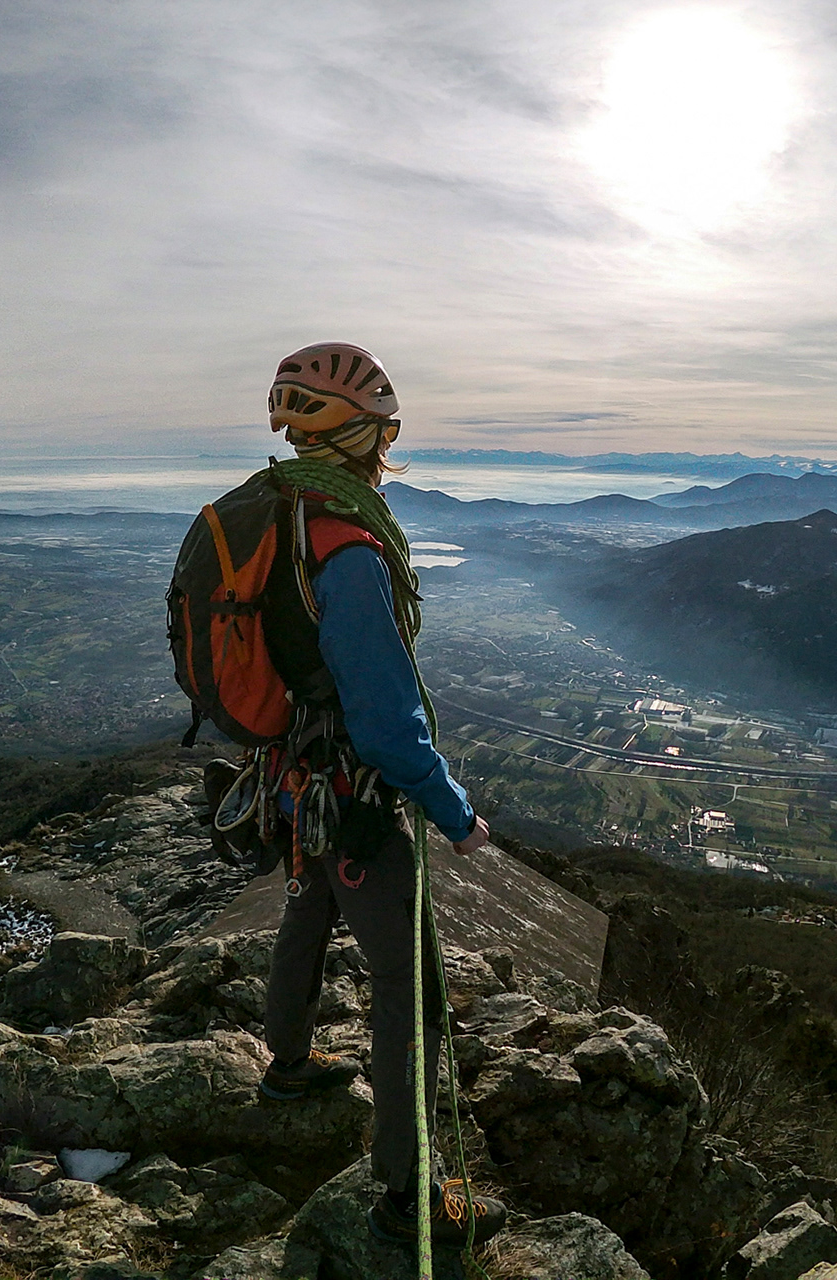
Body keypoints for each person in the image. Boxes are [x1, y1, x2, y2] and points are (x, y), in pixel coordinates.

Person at [249, 341, 507, 1248]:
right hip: (351, 795)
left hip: (290, 780)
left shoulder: (278, 515)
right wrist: (452, 810)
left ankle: (284, 1065)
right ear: (368, 435)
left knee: (310, 905)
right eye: (387, 435)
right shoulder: (347, 545)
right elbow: (388, 717)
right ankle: (408, 1192)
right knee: (410, 986)